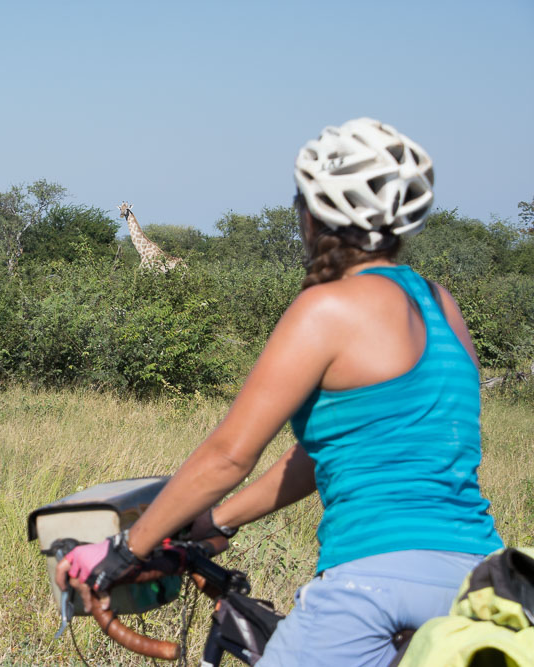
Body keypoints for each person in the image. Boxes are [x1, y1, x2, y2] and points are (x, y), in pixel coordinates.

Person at [56, 118, 503, 666]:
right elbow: (327, 455)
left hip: (371, 585)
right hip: (476, 585)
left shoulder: (327, 307)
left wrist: (126, 549)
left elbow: (228, 455)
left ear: (313, 213)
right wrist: (217, 523)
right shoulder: (442, 305)